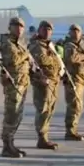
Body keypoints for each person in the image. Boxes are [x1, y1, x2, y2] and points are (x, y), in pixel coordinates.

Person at [0, 16, 31, 157]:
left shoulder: (20, 44)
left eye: (21, 26)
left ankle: (11, 143)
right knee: (11, 115)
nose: (19, 29)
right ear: (10, 28)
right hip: (13, 84)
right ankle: (6, 145)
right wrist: (26, 55)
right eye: (16, 26)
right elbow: (14, 59)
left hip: (22, 83)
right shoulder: (8, 43)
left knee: (18, 115)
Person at [27, 20, 63, 150]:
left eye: (49, 29)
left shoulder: (50, 46)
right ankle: (41, 138)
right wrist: (39, 79)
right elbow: (32, 66)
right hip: (42, 83)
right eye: (44, 29)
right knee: (43, 110)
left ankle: (45, 137)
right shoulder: (36, 46)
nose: (47, 31)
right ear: (39, 30)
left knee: (49, 110)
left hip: (53, 83)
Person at [62, 23, 84, 140]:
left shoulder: (80, 46)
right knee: (74, 106)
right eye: (73, 31)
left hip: (81, 80)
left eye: (77, 31)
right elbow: (71, 58)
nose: (75, 32)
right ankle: (70, 132)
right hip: (72, 80)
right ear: (70, 33)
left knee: (78, 107)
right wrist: (83, 57)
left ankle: (73, 130)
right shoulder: (69, 46)